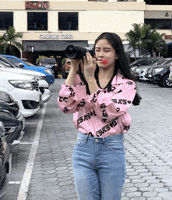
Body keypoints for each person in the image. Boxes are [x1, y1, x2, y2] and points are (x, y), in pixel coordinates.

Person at [57, 32, 141, 200]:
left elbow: (107, 112)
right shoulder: (80, 80)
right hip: (83, 148)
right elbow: (65, 106)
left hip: (111, 150)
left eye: (107, 50)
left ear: (117, 54)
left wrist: (90, 79)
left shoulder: (126, 84)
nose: (101, 54)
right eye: (97, 50)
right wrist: (74, 68)